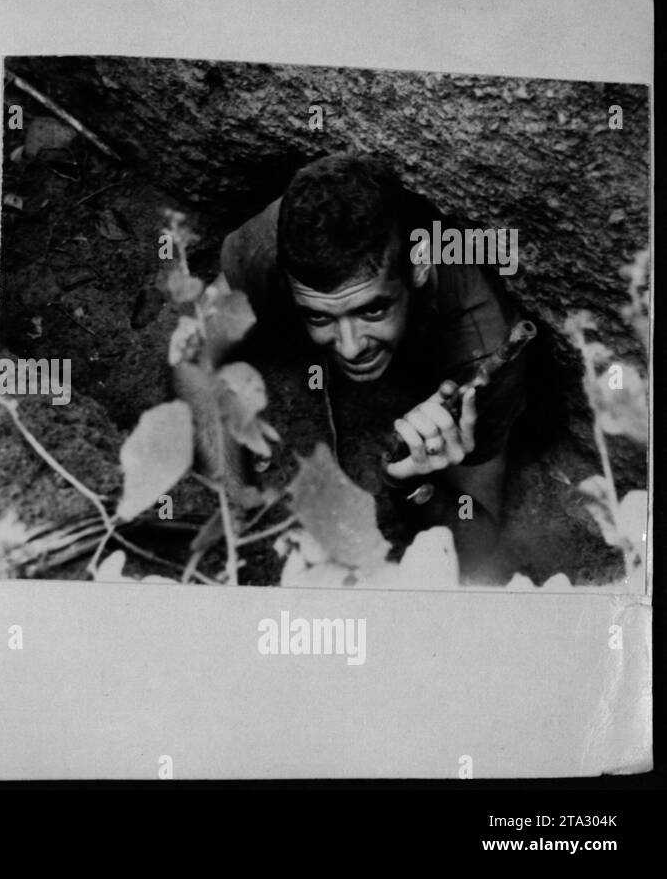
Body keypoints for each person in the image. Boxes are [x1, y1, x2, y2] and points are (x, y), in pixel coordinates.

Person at [213, 153, 530, 584]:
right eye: (319, 317)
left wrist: (414, 488)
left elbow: (480, 544)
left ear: (420, 266)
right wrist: (232, 499)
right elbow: (195, 348)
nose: (349, 347)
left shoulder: (482, 344)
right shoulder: (274, 245)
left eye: (373, 309)